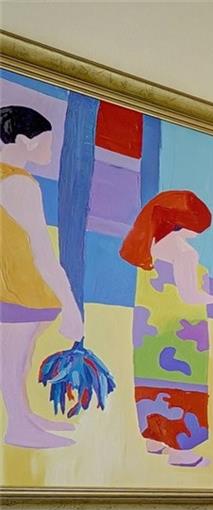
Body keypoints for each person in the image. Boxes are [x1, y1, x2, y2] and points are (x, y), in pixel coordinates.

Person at [119, 189, 213, 467]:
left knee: (151, 380)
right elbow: (190, 295)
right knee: (184, 387)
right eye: (198, 227)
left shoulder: (148, 247)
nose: (199, 233)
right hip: (181, 331)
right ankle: (182, 451)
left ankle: (154, 438)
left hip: (148, 329)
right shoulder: (184, 252)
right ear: (184, 224)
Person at [0, 104, 84, 449]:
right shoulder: (18, 183)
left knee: (17, 358)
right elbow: (43, 252)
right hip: (18, 289)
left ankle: (25, 416)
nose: (51, 149)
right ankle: (19, 426)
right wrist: (71, 306)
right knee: (13, 359)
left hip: (12, 286)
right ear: (24, 140)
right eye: (47, 142)